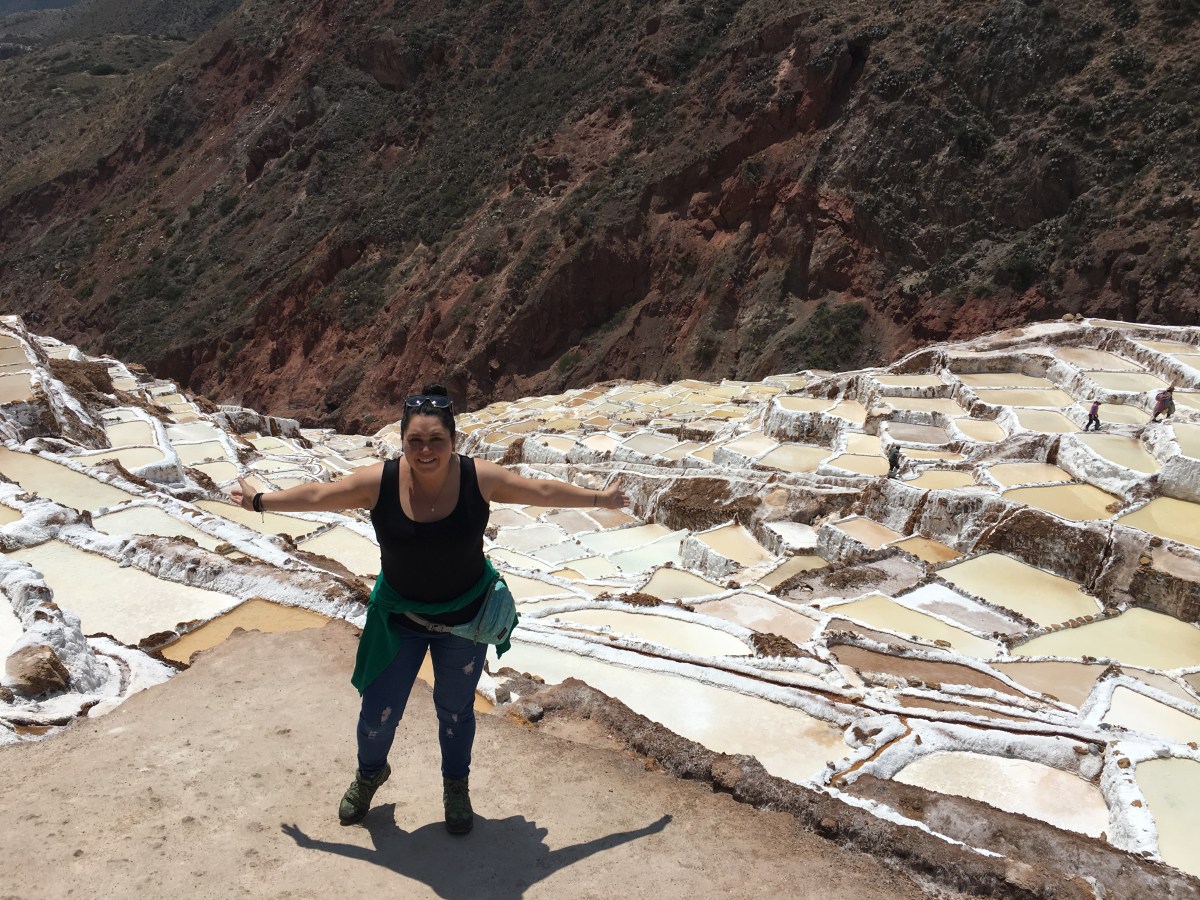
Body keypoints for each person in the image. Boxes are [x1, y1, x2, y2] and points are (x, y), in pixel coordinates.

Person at [230, 385, 628, 834]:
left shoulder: (478, 478)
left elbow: (537, 490)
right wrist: (260, 500)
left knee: (456, 713)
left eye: (435, 440)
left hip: (465, 621)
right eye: (414, 441)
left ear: (453, 442)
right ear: (401, 442)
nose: (424, 451)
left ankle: (456, 787)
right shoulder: (379, 482)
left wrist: (601, 500)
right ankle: (369, 774)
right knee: (377, 714)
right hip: (401, 618)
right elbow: (322, 496)